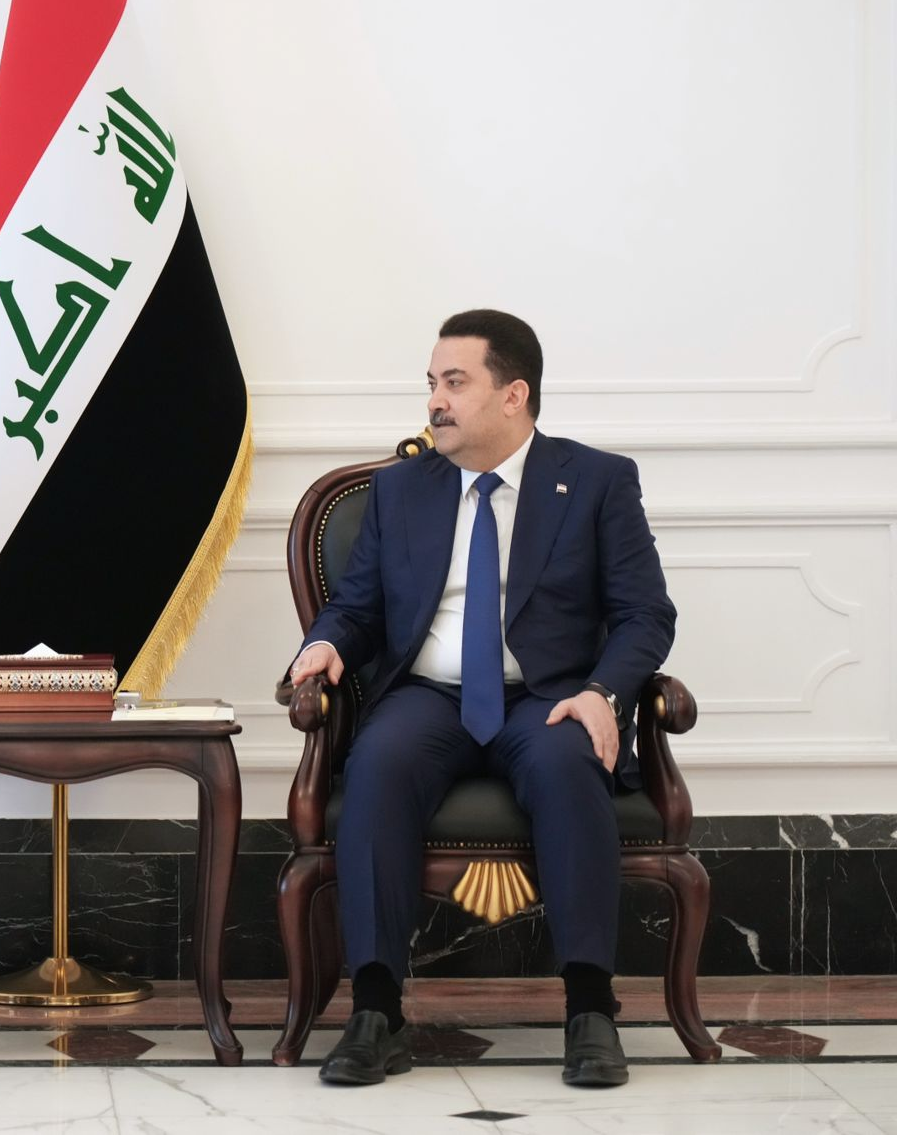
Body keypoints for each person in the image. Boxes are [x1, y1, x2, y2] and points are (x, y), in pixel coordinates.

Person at [289, 309, 675, 1089]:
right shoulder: (401, 490)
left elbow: (645, 614)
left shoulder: (595, 481)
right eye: (432, 383)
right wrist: (327, 642)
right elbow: (357, 609)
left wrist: (603, 693)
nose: (435, 400)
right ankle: (375, 1012)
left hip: (547, 696)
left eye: (455, 382)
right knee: (377, 765)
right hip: (428, 697)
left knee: (569, 763)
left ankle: (590, 1011)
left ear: (513, 394)